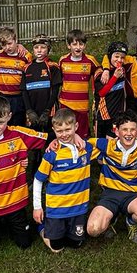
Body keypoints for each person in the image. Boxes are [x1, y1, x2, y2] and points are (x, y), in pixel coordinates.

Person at [0, 96, 51, 255]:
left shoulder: (18, 135)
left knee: (25, 243)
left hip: (16, 203)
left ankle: (12, 222)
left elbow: (48, 138)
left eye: (1, 122)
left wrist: (68, 138)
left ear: (9, 116)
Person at [88, 110, 137, 243]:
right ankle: (111, 219)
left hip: (133, 194)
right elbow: (82, 143)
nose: (129, 133)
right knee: (93, 230)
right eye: (124, 129)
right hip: (110, 194)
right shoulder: (106, 146)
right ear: (117, 132)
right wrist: (56, 142)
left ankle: (130, 221)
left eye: (132, 129)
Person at [32, 108, 94, 252]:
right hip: (57, 208)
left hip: (79, 208)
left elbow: (105, 147)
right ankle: (42, 227)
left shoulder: (86, 148)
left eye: (68, 129)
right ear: (54, 130)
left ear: (76, 127)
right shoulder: (51, 154)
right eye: (59, 131)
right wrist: (37, 207)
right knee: (56, 248)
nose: (64, 134)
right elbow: (38, 179)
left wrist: (78, 136)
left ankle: (67, 231)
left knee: (76, 244)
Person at [56, 29, 99, 139]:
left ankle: (82, 154)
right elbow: (58, 79)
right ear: (68, 45)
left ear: (84, 45)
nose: (78, 47)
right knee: (66, 132)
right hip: (65, 104)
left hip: (82, 106)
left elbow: (99, 71)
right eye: (74, 44)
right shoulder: (63, 60)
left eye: (81, 44)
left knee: (82, 134)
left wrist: (105, 72)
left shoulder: (90, 60)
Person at [0, 26, 32, 127]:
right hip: (3, 96)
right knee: (4, 123)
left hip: (19, 97)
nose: (7, 47)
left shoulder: (25, 56)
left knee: (19, 125)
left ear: (16, 40)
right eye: (3, 45)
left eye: (9, 43)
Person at [22, 34, 61, 142]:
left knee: (51, 138)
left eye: (43, 47)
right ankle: (35, 157)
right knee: (34, 139)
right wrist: (29, 111)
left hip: (48, 111)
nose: (39, 50)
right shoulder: (26, 67)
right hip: (33, 110)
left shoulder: (53, 66)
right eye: (36, 47)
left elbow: (55, 91)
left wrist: (47, 111)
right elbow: (24, 91)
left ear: (48, 49)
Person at [96, 41, 131, 138]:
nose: (119, 60)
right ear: (110, 56)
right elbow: (102, 93)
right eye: (116, 56)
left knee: (114, 142)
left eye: (122, 57)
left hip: (118, 115)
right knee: (101, 144)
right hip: (103, 116)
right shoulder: (100, 72)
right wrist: (114, 76)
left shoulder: (122, 69)